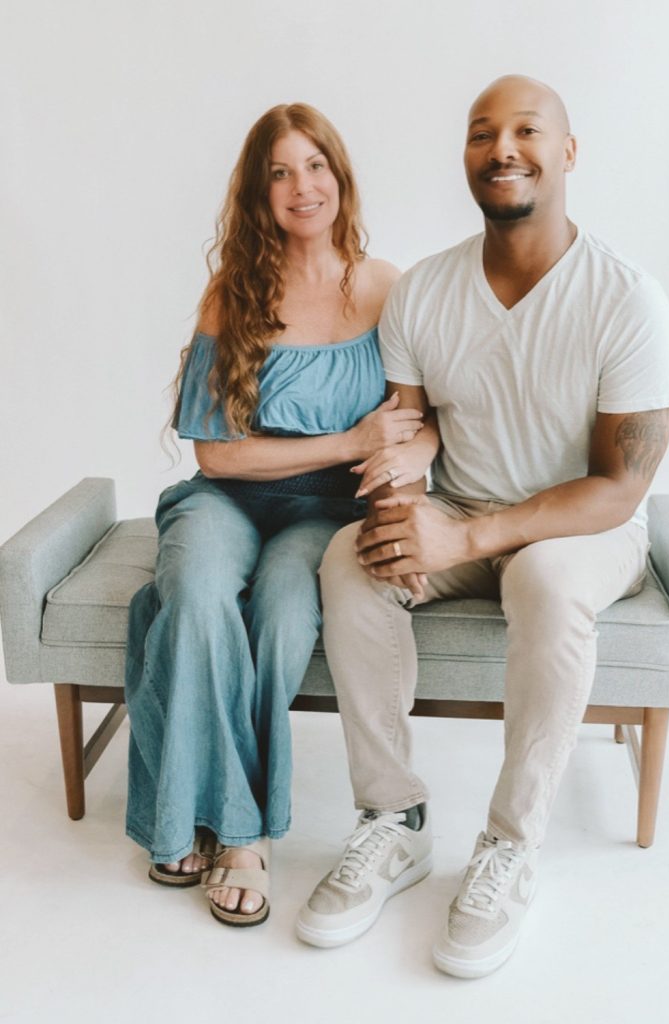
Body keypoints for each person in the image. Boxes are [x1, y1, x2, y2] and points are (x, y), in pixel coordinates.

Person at [296, 75, 669, 975]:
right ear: (465, 157)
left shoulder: (627, 299)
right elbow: (411, 424)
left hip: (581, 528)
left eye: (525, 130)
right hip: (462, 508)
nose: (501, 147)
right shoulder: (424, 291)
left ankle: (509, 847)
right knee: (351, 558)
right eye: (481, 133)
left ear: (567, 153)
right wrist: (400, 490)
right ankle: (393, 820)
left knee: (544, 577)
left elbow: (620, 487)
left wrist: (469, 538)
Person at [125, 102, 439, 927]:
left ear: (339, 176)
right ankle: (239, 835)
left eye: (314, 166)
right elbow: (216, 454)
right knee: (191, 592)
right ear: (258, 193)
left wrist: (402, 457)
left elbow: (420, 416)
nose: (301, 186)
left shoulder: (384, 285)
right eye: (279, 171)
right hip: (227, 499)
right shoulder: (233, 292)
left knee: (284, 607)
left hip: (323, 515)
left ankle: (235, 832)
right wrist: (346, 438)